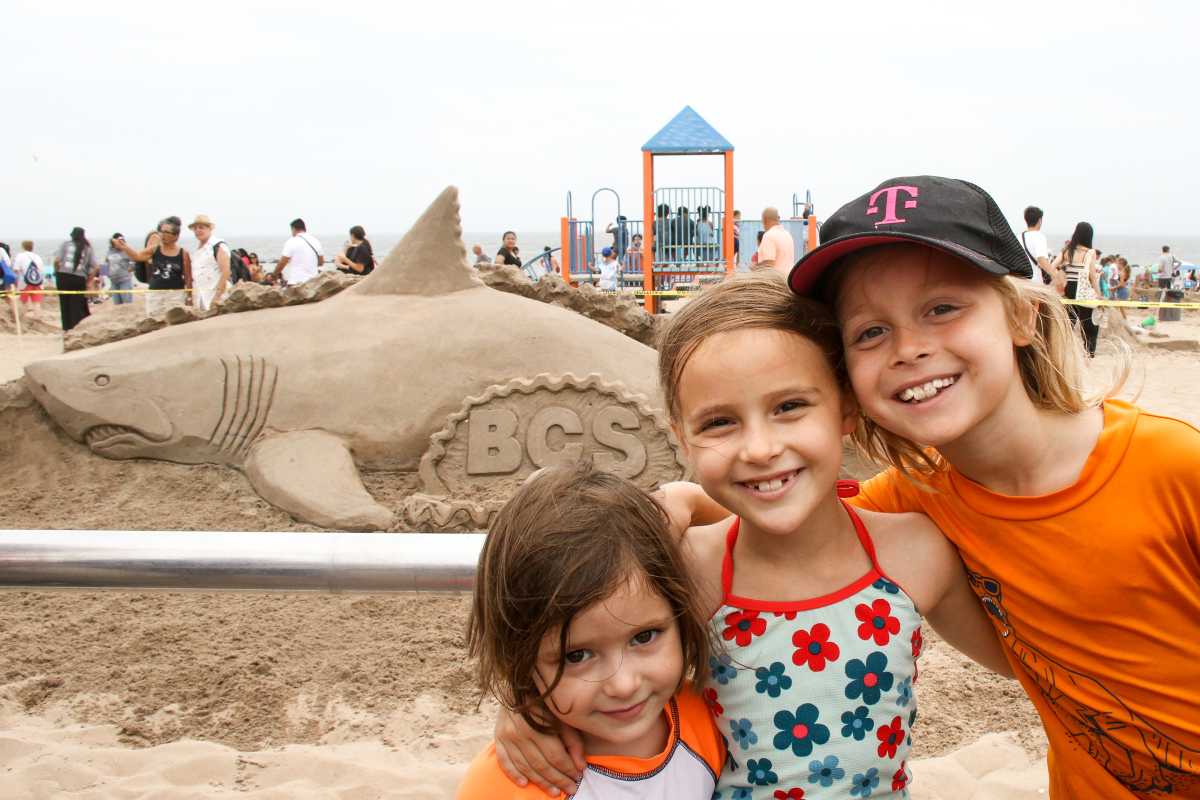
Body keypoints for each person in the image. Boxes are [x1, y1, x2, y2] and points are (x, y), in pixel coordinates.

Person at [670, 175, 1200, 799]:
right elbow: (789, 514)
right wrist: (675, 501)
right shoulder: (914, 500)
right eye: (870, 331)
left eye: (942, 308)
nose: (911, 349)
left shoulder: (1173, 468)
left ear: (1022, 316)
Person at [494, 274, 1013, 798]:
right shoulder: (686, 568)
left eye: (789, 407)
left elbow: (1023, 664)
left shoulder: (914, 553)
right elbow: (578, 644)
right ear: (682, 438)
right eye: (719, 422)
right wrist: (523, 709)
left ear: (846, 408)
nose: (760, 448)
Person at [456, 461, 723, 799]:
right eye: (577, 655)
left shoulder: (712, 716)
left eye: (644, 636)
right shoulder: (506, 785)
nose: (623, 685)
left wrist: (689, 500)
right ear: (517, 653)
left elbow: (784, 538)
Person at [113, 216, 192, 316]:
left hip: (175, 294)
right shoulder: (155, 249)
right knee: (155, 322)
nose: (162, 234)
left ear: (176, 236)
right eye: (161, 231)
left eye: (166, 232)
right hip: (155, 294)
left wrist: (189, 297)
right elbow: (137, 256)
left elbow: (188, 277)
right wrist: (124, 247)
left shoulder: (183, 253)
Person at [1050, 221, 1103, 357]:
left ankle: (1063, 351)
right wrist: (1098, 293)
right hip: (1083, 290)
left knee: (1068, 323)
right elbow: (1092, 275)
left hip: (1069, 290)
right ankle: (1089, 352)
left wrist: (1061, 278)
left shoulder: (1067, 250)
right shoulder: (1090, 252)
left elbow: (1052, 265)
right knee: (1089, 323)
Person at [52, 227, 99, 330]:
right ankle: (76, 328)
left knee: (64, 304)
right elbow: (96, 266)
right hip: (79, 278)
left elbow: (56, 261)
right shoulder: (88, 248)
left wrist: (56, 271)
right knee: (77, 305)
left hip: (64, 276)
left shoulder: (65, 244)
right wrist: (89, 280)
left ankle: (66, 329)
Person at [184, 215, 231, 312]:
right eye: (195, 228)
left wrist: (217, 296)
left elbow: (225, 272)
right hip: (202, 298)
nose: (198, 230)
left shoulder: (218, 246)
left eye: (201, 227)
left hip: (218, 297)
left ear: (209, 229)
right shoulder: (197, 250)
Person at [273, 218, 324, 286]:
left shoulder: (292, 241)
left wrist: (274, 275)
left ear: (293, 229)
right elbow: (321, 262)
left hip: (296, 282)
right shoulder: (316, 241)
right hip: (313, 282)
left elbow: (283, 262)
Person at [754, 207, 794, 278]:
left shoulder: (769, 235)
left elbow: (769, 263)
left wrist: (754, 267)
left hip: (775, 282)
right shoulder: (787, 235)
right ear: (778, 218)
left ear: (764, 220)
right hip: (788, 279)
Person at [1020, 206, 1052, 287]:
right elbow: (1041, 259)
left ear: (1025, 220)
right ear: (1039, 220)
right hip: (1035, 283)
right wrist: (1055, 275)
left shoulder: (1018, 237)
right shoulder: (1039, 237)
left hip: (1020, 282)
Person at [104, 234, 136, 305]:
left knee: (127, 302)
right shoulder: (110, 251)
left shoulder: (125, 250)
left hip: (125, 280)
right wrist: (105, 274)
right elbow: (105, 263)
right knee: (117, 303)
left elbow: (134, 260)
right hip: (113, 281)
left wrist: (131, 268)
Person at [12, 241, 45, 306]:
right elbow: (41, 270)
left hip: (25, 282)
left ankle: (24, 315)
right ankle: (37, 315)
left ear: (23, 247)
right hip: (37, 282)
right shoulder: (37, 256)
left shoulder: (20, 256)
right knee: (36, 302)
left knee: (24, 301)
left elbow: (16, 269)